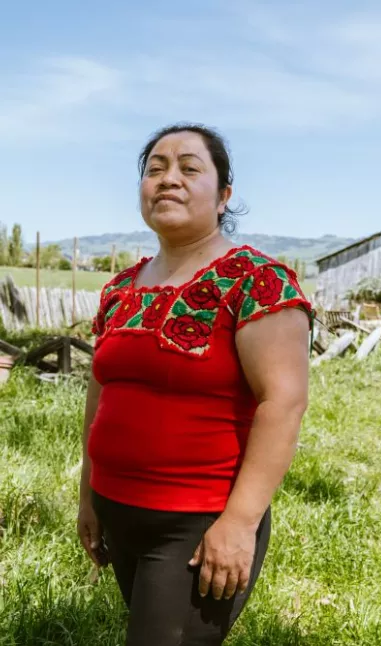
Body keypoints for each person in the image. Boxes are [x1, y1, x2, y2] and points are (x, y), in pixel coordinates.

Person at [77, 123, 312, 645]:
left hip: (195, 523)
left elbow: (284, 402)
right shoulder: (120, 288)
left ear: (224, 194)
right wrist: (87, 497)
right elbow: (100, 395)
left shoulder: (256, 280)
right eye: (155, 169)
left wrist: (239, 523)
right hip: (117, 510)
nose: (168, 179)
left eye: (189, 167)